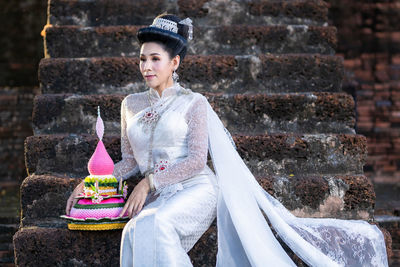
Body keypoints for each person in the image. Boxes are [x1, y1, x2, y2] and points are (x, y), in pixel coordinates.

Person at [66, 13, 389, 267]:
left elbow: (195, 161)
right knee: (136, 229)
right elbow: (130, 161)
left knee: (156, 225)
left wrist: (148, 183)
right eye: (142, 59)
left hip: (196, 190)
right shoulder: (130, 104)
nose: (147, 66)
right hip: (157, 196)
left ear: (174, 63)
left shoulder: (194, 103)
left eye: (155, 59)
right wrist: (93, 183)